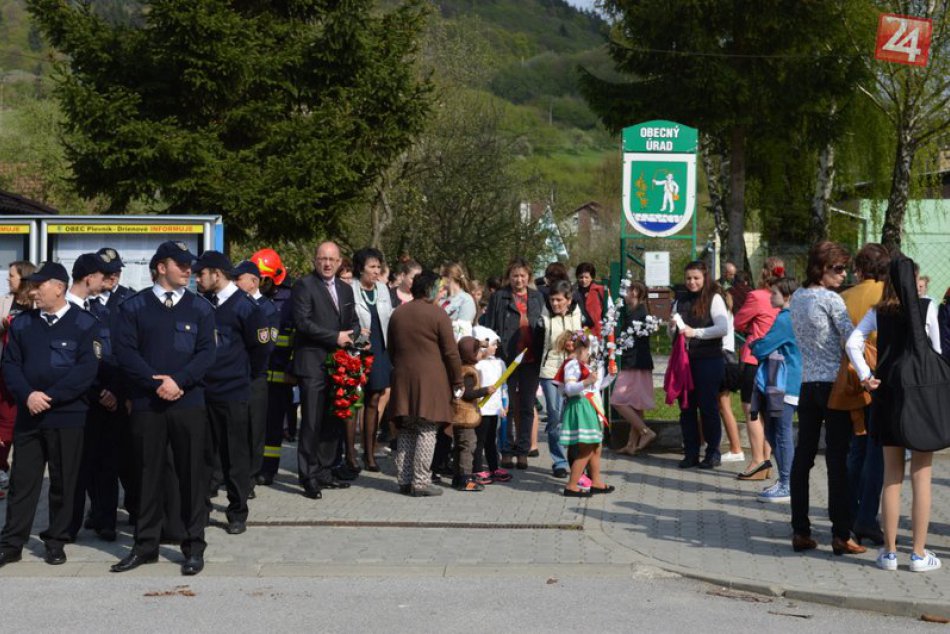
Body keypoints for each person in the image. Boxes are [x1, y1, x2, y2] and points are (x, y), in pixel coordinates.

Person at [111, 241, 216, 575]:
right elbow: (125, 352)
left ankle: (193, 547)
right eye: (181, 264)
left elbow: (206, 354)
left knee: (191, 476)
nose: (189, 270)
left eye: (190, 265)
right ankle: (145, 545)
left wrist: (178, 381)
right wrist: (154, 383)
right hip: (147, 404)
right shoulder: (134, 307)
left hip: (188, 403)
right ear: (160, 267)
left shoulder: (200, 308)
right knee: (147, 475)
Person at [846, 256, 943, 572]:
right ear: (913, 280)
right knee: (922, 474)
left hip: (886, 394)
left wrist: (865, 374)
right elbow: (938, 352)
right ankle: (917, 554)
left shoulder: (879, 311)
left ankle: (888, 553)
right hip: (921, 397)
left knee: (891, 474)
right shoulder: (927, 308)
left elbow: (852, 343)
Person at [0, 262, 99, 569]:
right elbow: (10, 365)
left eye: (39, 286)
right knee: (23, 482)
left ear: (58, 287)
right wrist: (28, 395)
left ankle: (56, 541)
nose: (32, 291)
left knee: (63, 481)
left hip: (67, 416)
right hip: (30, 415)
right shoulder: (23, 324)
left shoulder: (85, 323)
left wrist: (52, 397)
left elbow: (86, 370)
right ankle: (12, 542)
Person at [788, 241, 863, 556]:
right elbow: (851, 339)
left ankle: (800, 530)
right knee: (837, 461)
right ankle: (841, 534)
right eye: (837, 268)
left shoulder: (796, 297)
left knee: (802, 458)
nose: (843, 274)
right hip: (834, 386)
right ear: (821, 268)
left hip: (807, 384)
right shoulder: (831, 300)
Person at [195, 251, 269, 534]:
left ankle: (237, 511)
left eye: (202, 274)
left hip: (233, 392)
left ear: (217, 274)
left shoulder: (246, 307)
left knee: (234, 456)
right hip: (202, 392)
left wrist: (244, 376)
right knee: (202, 456)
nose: (197, 279)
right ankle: (200, 509)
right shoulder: (202, 305)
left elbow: (261, 349)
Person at [829, 244, 889, 546]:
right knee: (877, 453)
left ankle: (849, 515)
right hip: (882, 380)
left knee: (857, 448)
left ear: (860, 268)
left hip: (852, 379)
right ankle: (867, 518)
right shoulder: (890, 297)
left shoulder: (844, 297)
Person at [291, 241, 360, 499]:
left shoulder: (345, 289)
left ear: (340, 261)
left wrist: (354, 336)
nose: (327, 263)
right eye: (322, 259)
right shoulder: (304, 286)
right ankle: (308, 475)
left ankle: (325, 470)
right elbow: (303, 323)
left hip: (339, 364)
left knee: (334, 419)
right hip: (312, 363)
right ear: (315, 260)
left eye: (332, 259)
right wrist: (335, 337)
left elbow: (351, 320)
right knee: (311, 421)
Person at [387, 271, 463, 497]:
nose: (440, 292)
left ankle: (404, 479)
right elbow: (451, 352)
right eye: (438, 288)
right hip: (430, 381)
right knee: (427, 429)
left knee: (407, 429)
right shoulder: (438, 315)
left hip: (402, 378)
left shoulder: (398, 313)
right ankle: (420, 482)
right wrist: (457, 379)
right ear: (430, 290)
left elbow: (391, 347)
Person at [66, 253, 122, 542]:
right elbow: (69, 364)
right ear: (89, 277)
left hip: (108, 400)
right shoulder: (65, 311)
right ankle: (71, 525)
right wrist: (98, 391)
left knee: (108, 464)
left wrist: (114, 391)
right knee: (81, 466)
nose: (108, 281)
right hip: (81, 400)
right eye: (103, 276)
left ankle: (106, 519)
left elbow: (110, 355)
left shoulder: (102, 310)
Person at [484, 258, 545, 470]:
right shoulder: (499, 297)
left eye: (522, 276)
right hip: (507, 357)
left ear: (528, 276)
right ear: (508, 277)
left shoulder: (537, 297)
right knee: (506, 406)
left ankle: (523, 450)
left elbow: (543, 325)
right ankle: (506, 450)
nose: (518, 280)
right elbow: (490, 327)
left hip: (531, 358)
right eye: (514, 276)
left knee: (527, 406)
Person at [671, 260, 728, 469]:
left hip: (708, 360)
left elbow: (723, 328)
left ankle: (713, 452)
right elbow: (676, 333)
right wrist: (673, 328)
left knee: (708, 407)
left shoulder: (714, 299)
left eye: (696, 278)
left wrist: (696, 332)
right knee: (686, 408)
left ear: (705, 278)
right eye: (688, 278)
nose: (692, 282)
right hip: (684, 362)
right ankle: (691, 453)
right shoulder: (680, 300)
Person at [749, 277, 801, 503]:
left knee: (780, 434)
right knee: (774, 432)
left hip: (786, 383)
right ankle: (786, 481)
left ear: (787, 296)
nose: (771, 297)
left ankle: (788, 484)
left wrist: (753, 343)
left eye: (775, 293)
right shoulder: (793, 316)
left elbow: (763, 347)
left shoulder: (786, 319)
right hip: (789, 381)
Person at [733, 258, 783, 480]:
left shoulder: (757, 296)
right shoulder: (786, 297)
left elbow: (738, 322)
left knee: (751, 411)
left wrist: (751, 328)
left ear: (763, 272)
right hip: (779, 360)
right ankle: (767, 460)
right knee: (770, 412)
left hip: (755, 358)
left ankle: (757, 461)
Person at [252, 248, 296, 485]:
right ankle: (251, 466)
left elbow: (294, 337)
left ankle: (268, 469)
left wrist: (291, 368)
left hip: (280, 374)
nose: (258, 282)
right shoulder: (254, 295)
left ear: (275, 276)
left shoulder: (290, 299)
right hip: (256, 372)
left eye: (263, 279)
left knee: (273, 425)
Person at [233, 260, 278, 497]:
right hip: (234, 375)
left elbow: (266, 345)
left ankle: (250, 477)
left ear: (253, 281)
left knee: (255, 428)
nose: (234, 283)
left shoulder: (266, 308)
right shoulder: (234, 304)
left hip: (255, 375)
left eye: (238, 279)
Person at [554, 330, 616, 497]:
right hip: (581, 406)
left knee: (596, 446)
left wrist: (609, 377)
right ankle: (572, 485)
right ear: (581, 349)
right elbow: (569, 389)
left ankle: (595, 481)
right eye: (589, 351)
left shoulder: (583, 364)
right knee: (586, 449)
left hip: (590, 405)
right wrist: (587, 381)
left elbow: (595, 388)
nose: (590, 355)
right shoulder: (572, 364)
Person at [350, 247, 393, 473]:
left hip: (380, 348)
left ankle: (370, 451)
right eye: (372, 267)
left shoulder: (384, 290)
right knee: (353, 400)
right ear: (361, 269)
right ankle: (350, 453)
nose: (376, 272)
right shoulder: (350, 289)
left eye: (378, 267)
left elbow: (390, 318)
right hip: (358, 349)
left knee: (375, 399)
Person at [539, 279, 584, 477]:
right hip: (550, 372)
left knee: (571, 416)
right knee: (555, 417)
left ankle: (575, 458)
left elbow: (583, 337)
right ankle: (559, 461)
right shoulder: (544, 315)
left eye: (558, 300)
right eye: (552, 300)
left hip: (572, 371)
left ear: (569, 299)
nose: (555, 304)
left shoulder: (577, 313)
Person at [0, 260, 35, 500]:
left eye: (11, 275)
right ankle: (2, 469)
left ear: (23, 278)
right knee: (3, 421)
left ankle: (20, 474)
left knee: (17, 423)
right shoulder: (5, 301)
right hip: (4, 370)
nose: (8, 279)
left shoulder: (35, 302)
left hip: (28, 374)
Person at [612, 280, 657, 455]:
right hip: (638, 362)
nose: (625, 293)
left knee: (618, 400)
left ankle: (646, 431)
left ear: (636, 293)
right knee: (636, 405)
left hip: (634, 363)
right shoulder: (637, 312)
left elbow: (631, 341)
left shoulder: (638, 313)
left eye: (629, 290)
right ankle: (632, 444)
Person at [453, 336, 494, 491]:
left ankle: (458, 477)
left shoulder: (459, 368)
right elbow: (468, 394)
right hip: (466, 416)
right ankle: (465, 478)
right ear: (471, 355)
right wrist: (485, 391)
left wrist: (480, 343)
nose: (481, 354)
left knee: (459, 446)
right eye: (478, 351)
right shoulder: (469, 372)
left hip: (457, 415)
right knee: (468, 446)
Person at [472, 326, 510, 484]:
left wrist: (504, 403)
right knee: (479, 440)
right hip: (481, 409)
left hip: (494, 409)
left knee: (491, 439)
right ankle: (476, 469)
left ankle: (493, 467)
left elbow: (503, 386)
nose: (496, 347)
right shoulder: (477, 365)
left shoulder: (499, 363)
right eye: (493, 344)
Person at [717, 289, 745, 462]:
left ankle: (736, 448)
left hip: (723, 359)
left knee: (723, 405)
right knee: (718, 405)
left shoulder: (721, 312)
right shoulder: (727, 310)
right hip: (727, 358)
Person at [440, 262, 477, 335]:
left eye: (441, 277)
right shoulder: (441, 298)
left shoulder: (466, 300)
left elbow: (463, 330)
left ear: (449, 278)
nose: (439, 281)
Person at [575, 262, 606, 337]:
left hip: (598, 331)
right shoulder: (573, 292)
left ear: (592, 277)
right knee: (584, 345)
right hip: (581, 330)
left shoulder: (599, 290)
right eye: (581, 277)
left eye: (586, 277)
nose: (583, 280)